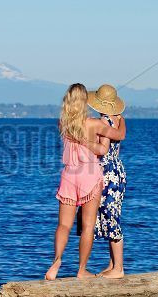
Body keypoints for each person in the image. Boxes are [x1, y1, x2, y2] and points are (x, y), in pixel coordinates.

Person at [45, 83, 126, 280]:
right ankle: (81, 270)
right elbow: (118, 136)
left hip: (69, 175)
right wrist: (120, 119)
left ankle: (56, 261)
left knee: (64, 225)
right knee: (88, 226)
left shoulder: (62, 123)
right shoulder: (94, 124)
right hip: (89, 175)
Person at [77, 84, 127, 279]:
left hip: (107, 171)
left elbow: (102, 148)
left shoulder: (104, 121)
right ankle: (113, 264)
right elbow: (121, 135)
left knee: (110, 215)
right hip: (117, 169)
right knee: (110, 213)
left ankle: (119, 268)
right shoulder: (118, 119)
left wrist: (82, 141)